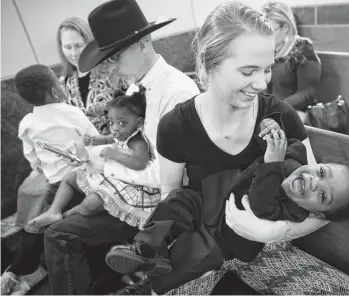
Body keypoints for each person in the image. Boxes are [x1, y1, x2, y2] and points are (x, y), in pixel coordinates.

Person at [101, 2, 331, 294]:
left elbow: (321, 207)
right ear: (210, 63)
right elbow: (171, 195)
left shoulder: (280, 115)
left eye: (268, 69)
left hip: (263, 242)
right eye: (248, 72)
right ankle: (147, 273)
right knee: (186, 262)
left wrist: (272, 231)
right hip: (203, 230)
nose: (261, 83)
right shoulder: (176, 125)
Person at [42, 0, 200, 294]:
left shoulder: (175, 92)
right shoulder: (139, 86)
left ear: (143, 43)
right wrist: (94, 155)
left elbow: (164, 176)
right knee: (58, 187)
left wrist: (104, 164)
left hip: (160, 203)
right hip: (140, 185)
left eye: (115, 57)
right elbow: (129, 142)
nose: (110, 65)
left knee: (58, 235)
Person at [105, 128, 349, 294]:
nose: (315, 181)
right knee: (175, 202)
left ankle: (147, 286)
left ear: (318, 215)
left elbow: (259, 205)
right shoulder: (294, 158)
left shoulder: (294, 212)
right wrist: (271, 131)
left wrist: (272, 165)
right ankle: (143, 248)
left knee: (196, 256)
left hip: (222, 238)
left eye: (323, 195)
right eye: (322, 172)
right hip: (207, 198)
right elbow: (284, 140)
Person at [0, 64, 100, 295]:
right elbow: (93, 140)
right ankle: (28, 267)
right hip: (82, 181)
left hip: (55, 184)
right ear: (55, 91)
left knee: (37, 205)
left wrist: (41, 165)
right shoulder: (72, 113)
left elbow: (31, 155)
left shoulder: (27, 123)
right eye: (57, 82)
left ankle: (19, 269)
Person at [30, 88, 160, 228]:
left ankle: (67, 215)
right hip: (113, 176)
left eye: (122, 123)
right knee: (69, 178)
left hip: (131, 185)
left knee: (91, 202)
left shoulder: (137, 141)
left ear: (139, 123)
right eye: (111, 122)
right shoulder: (122, 134)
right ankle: (54, 210)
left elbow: (140, 163)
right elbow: (106, 139)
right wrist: (92, 140)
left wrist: (114, 154)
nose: (115, 128)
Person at [57, 16, 124, 136]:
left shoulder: (112, 71)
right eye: (67, 47)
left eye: (78, 46)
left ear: (90, 43)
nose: (73, 53)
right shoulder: (64, 83)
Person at [262, 1, 322, 121]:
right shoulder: (265, 49)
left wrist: (277, 107)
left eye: (269, 31)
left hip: (294, 113)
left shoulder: (302, 49)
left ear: (285, 28)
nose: (264, 36)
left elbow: (307, 93)